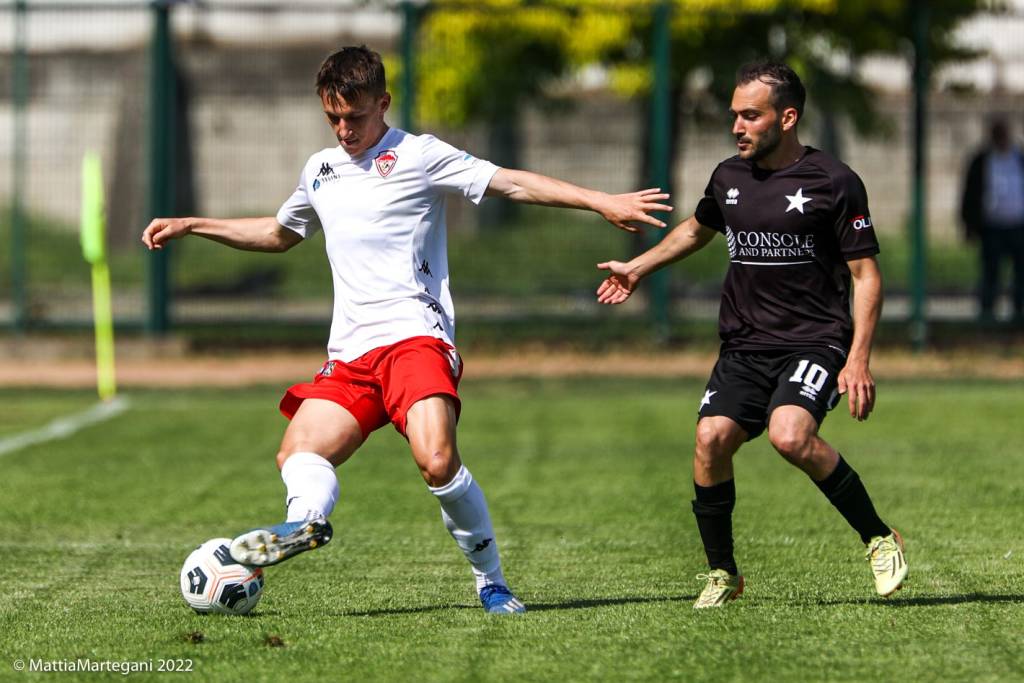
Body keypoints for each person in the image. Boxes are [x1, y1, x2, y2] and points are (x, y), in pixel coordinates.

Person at [142, 46, 670, 615]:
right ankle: (305, 525)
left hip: (415, 339)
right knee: (298, 449)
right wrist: (193, 224)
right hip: (349, 356)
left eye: (356, 116)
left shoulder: (419, 156)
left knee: (437, 461)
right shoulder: (319, 171)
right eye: (333, 118)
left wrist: (600, 201)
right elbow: (278, 232)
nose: (344, 129)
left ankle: (490, 582)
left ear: (383, 103)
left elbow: (511, 184)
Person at [595, 61, 907, 609]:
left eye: (750, 115)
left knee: (790, 434)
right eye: (733, 115)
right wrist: (638, 268)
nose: (736, 126)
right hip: (744, 345)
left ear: (787, 118)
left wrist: (858, 359)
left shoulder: (834, 182)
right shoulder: (728, 177)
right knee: (710, 441)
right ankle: (723, 573)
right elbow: (696, 229)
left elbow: (866, 276)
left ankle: (879, 537)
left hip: (815, 342)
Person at [960, 116, 1024, 323]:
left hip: (1018, 225)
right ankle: (987, 314)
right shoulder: (982, 160)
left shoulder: (1019, 158)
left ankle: (1018, 313)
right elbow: (969, 195)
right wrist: (969, 225)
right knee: (990, 272)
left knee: (1021, 273)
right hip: (992, 227)